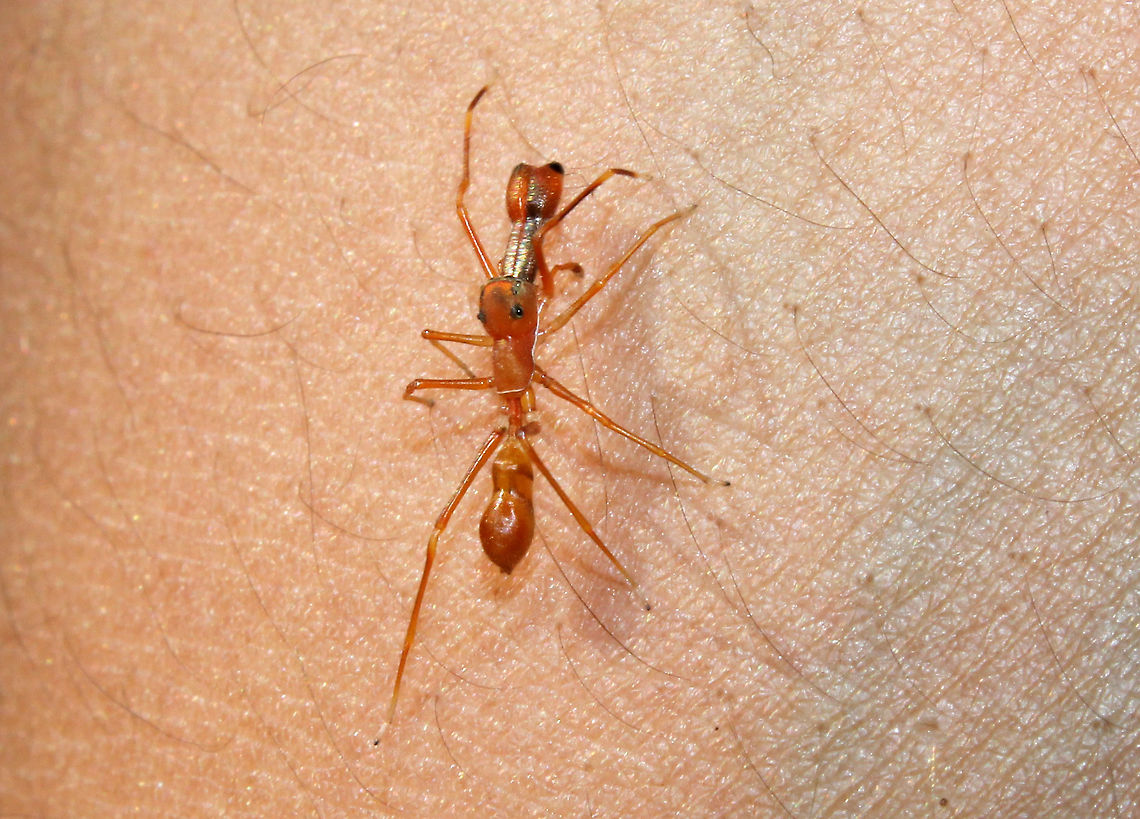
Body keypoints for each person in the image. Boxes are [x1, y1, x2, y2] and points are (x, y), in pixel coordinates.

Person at [1, 1, 1134, 814]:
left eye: (535, 216)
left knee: (543, 432)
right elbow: (505, 304)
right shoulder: (506, 330)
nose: (525, 236)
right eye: (529, 214)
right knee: (465, 521)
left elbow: (510, 297)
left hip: (513, 403)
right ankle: (401, 689)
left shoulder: (512, 307)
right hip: (512, 437)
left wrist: (572, 235)